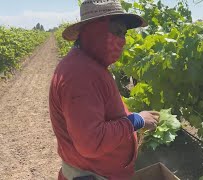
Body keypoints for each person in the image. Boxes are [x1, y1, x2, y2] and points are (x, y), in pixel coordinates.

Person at [49, 0, 160, 179]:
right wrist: (137, 120)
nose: (122, 41)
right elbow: (91, 142)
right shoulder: (80, 75)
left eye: (124, 34)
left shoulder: (88, 64)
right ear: (94, 30)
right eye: (116, 32)